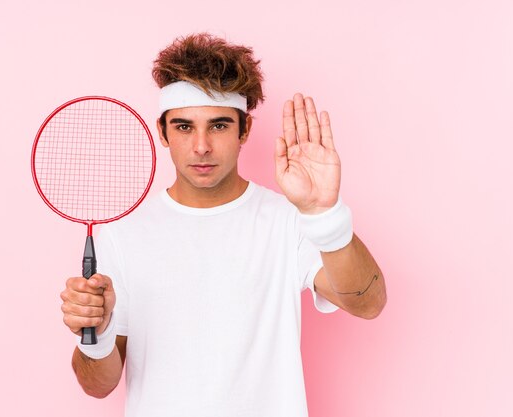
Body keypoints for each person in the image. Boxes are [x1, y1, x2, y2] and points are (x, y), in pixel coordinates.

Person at [60, 33, 387, 417]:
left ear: (244, 130)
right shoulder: (123, 234)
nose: (201, 146)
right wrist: (94, 335)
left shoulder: (288, 220)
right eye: (184, 127)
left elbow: (368, 303)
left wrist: (324, 213)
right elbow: (98, 386)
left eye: (218, 126)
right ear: (163, 132)